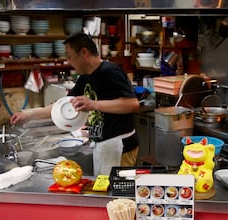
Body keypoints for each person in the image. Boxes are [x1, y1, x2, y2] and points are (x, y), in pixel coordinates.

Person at [10, 32, 140, 176]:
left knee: (116, 195)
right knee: (103, 190)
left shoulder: (110, 71)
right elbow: (63, 105)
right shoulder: (85, 77)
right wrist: (29, 115)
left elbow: (132, 104)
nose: (68, 61)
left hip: (119, 146)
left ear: (84, 52)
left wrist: (93, 104)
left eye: (70, 56)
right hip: (102, 144)